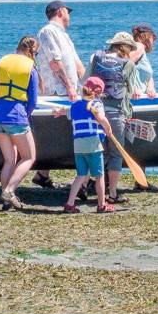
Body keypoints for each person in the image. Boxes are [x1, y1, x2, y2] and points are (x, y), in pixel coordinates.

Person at [0, 36, 40, 211]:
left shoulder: (1, 62)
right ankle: (9, 190)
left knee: (9, 159)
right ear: (31, 51)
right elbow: (33, 101)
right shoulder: (30, 69)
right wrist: (25, 116)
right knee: (29, 157)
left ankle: (5, 201)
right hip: (17, 117)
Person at [33, 0, 84, 189]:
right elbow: (55, 62)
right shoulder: (48, 31)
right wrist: (70, 86)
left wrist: (88, 88)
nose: (69, 16)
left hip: (70, 92)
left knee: (62, 133)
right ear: (61, 11)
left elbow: (78, 64)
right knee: (56, 133)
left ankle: (42, 173)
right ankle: (43, 172)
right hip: (57, 92)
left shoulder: (64, 35)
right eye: (68, 12)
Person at [87, 32, 139, 202]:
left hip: (94, 111)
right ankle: (113, 194)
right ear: (125, 48)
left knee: (96, 152)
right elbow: (131, 91)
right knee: (115, 153)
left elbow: (85, 82)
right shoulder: (128, 64)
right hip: (116, 113)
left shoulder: (96, 57)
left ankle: (82, 187)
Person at [54, 76, 115, 213]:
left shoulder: (75, 106)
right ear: (97, 93)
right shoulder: (95, 105)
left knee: (81, 175)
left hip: (78, 146)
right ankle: (102, 205)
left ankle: (69, 204)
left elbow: (66, 111)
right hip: (93, 144)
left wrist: (59, 112)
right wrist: (109, 130)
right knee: (99, 175)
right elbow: (101, 118)